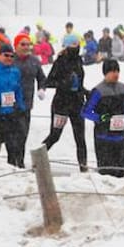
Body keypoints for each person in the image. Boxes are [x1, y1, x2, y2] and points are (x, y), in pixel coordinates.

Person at [42, 34, 89, 171]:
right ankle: (37, 158)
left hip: (77, 103)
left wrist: (85, 91)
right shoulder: (60, 61)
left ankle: (83, 166)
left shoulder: (79, 61)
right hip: (61, 104)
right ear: (67, 47)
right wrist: (63, 83)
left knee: (80, 137)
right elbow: (48, 81)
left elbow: (78, 83)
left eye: (78, 45)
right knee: (55, 135)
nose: (77, 47)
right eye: (73, 45)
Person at [82, 59, 124, 177]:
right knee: (107, 173)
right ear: (105, 73)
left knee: (122, 171)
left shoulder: (123, 88)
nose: (116, 74)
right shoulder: (98, 91)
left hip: (119, 138)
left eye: (117, 71)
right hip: (103, 138)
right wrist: (100, 118)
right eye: (112, 71)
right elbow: (85, 112)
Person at [14, 33, 47, 149]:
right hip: (9, 105)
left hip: (26, 104)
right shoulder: (10, 59)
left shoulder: (34, 61)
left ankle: (19, 162)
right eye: (23, 44)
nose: (26, 47)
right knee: (10, 136)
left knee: (22, 134)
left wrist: (41, 89)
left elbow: (42, 78)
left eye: (28, 44)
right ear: (16, 46)